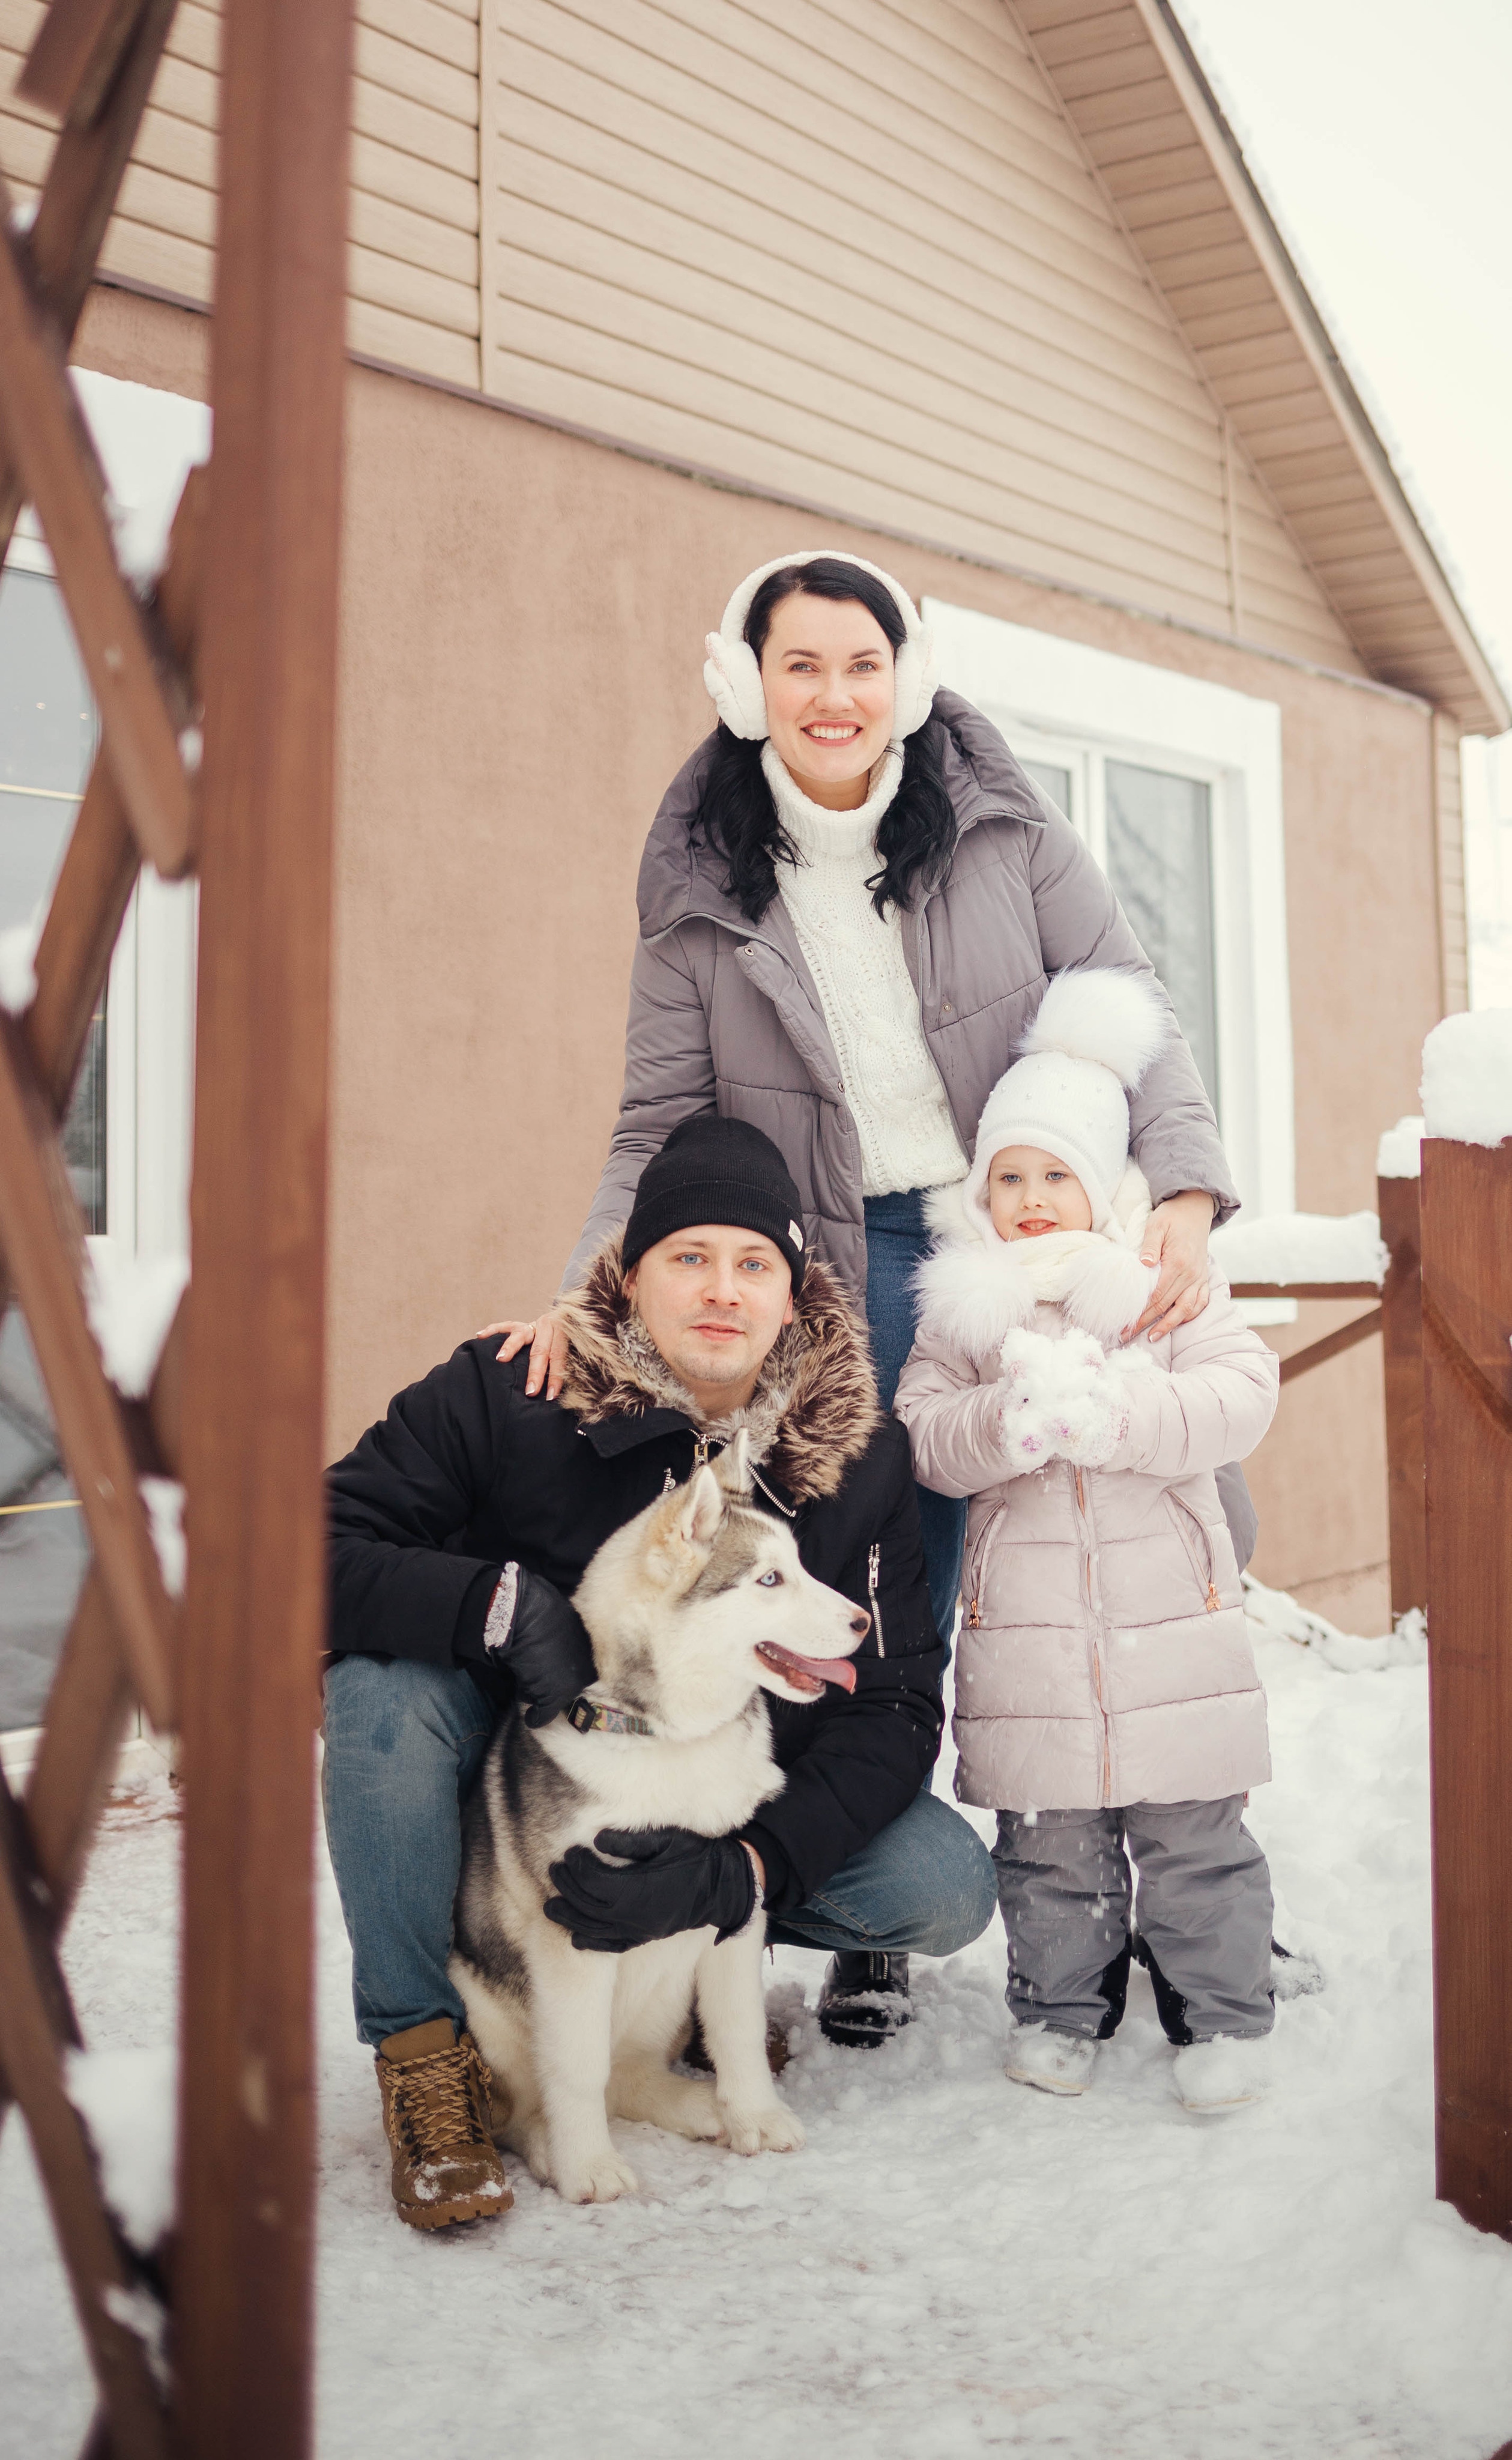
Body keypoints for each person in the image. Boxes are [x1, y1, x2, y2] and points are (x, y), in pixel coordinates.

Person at [489, 550, 1248, 1682]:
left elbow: (1127, 999)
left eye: (862, 666)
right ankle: (903, 1819)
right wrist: (585, 1289)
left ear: (907, 677)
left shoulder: (1005, 823)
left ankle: (1075, 1827)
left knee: (1087, 1538)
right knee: (901, 1569)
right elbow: (655, 1126)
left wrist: (1185, 1195)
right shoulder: (696, 885)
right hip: (838, 1269)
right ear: (750, 687)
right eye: (801, 666)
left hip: (1018, 1234)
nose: (833, 698)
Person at [325, 1117, 997, 2228]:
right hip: (527, 1795)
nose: (720, 1291)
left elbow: (893, 1701)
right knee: (377, 1695)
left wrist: (750, 1868)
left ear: (794, 1295)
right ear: (631, 1278)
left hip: (723, 1782)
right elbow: (315, 1545)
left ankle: (672, 1981)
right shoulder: (509, 1391)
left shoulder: (858, 1451)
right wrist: (494, 1605)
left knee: (940, 1886)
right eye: (688, 1258)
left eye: (752, 1265)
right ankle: (424, 2053)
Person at [894, 968, 1281, 2115]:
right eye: (1005, 1176)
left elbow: (1241, 1392)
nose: (1028, 1197)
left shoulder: (1158, 1292)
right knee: (1048, 1851)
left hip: (1172, 1637)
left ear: (1105, 1183)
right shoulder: (965, 1314)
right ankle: (1060, 2013)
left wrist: (1123, 1418)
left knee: (1196, 1843)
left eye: (1053, 1173)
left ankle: (1220, 2015)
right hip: (1033, 1646)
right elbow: (923, 1436)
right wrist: (1003, 1426)